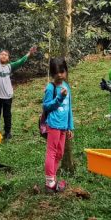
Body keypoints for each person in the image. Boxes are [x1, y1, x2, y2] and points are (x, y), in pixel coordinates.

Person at [0, 39, 37, 141]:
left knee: (7, 114)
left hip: (7, 95)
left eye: (6, 55)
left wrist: (29, 53)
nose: (4, 56)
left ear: (8, 58)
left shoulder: (10, 67)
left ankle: (8, 132)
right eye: (2, 54)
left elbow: (21, 61)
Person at [41, 57, 74, 193]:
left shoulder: (66, 86)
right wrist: (59, 97)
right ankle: (50, 182)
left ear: (65, 71)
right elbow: (46, 106)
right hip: (53, 124)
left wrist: (70, 126)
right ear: (52, 73)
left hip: (63, 126)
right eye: (56, 72)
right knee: (52, 152)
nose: (60, 75)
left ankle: (53, 177)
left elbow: (69, 108)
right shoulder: (50, 88)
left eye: (62, 71)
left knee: (60, 153)